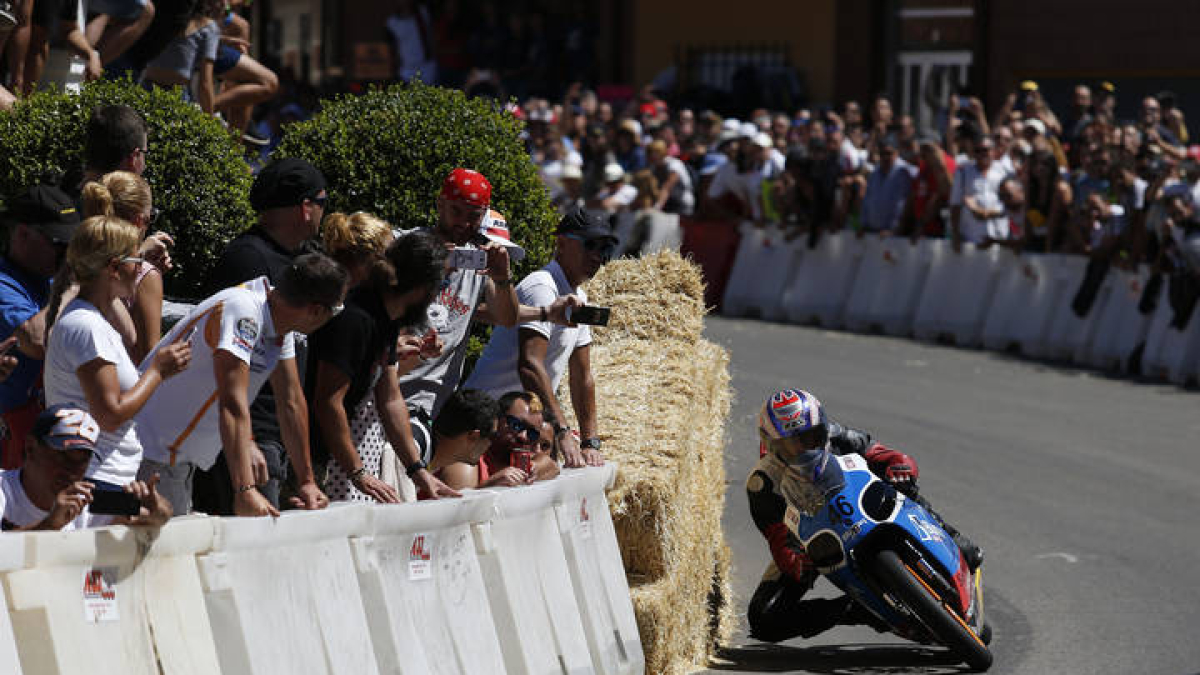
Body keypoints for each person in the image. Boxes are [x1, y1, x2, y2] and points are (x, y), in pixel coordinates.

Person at [745, 388, 981, 643]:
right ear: (772, 447)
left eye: (811, 437)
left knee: (904, 490)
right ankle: (860, 610)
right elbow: (779, 540)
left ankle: (950, 536)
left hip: (864, 503)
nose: (804, 448)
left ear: (822, 426)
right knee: (764, 618)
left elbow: (879, 453)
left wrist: (899, 464)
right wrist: (794, 559)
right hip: (813, 539)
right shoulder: (763, 483)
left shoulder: (837, 435)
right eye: (792, 445)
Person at [134, 253, 344, 518]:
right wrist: (244, 489)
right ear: (316, 310)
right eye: (336, 310)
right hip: (151, 450)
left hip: (176, 456)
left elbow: (291, 401)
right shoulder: (243, 310)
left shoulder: (279, 325)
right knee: (158, 554)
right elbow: (232, 403)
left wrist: (307, 482)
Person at [198, 157, 327, 514]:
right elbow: (224, 369)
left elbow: (290, 392)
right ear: (305, 207)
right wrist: (247, 442)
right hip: (246, 439)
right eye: (323, 203)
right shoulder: (248, 263)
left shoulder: (298, 261)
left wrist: (306, 479)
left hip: (276, 435)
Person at [397, 167, 575, 424]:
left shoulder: (477, 262)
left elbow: (506, 317)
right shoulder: (405, 243)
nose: (464, 223)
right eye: (456, 211)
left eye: (474, 216)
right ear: (440, 204)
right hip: (387, 388)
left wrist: (501, 278)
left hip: (432, 404)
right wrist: (428, 267)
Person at [307, 229, 457, 504]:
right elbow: (327, 402)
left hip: (337, 457)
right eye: (441, 286)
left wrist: (417, 470)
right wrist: (358, 472)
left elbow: (390, 397)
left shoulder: (388, 319)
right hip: (313, 458)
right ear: (423, 288)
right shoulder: (356, 318)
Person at [42, 215, 190, 491]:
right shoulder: (87, 326)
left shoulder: (94, 321)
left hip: (105, 475)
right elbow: (110, 415)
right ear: (114, 268)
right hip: (97, 478)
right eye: (137, 262)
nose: (141, 269)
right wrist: (157, 371)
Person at [465, 208, 611, 467]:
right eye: (590, 245)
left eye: (605, 248)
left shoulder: (580, 298)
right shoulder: (543, 287)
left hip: (516, 426)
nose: (597, 256)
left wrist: (590, 441)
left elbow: (582, 375)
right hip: (484, 425)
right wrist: (562, 432)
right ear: (562, 244)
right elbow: (530, 367)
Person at [0, 183, 81, 468]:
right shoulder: (4, 283)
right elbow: (35, 342)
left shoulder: (49, 276)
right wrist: (69, 288)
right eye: (59, 244)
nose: (66, 255)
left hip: (50, 432)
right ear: (22, 234)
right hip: (12, 437)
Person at [0, 404, 170, 531]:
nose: (71, 470)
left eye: (82, 460)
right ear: (31, 448)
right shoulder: (3, 489)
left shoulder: (89, 500)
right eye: (63, 456)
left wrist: (156, 510)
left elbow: (160, 513)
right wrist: (49, 525)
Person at [80, 172, 171, 362]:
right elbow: (148, 359)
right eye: (150, 217)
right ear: (139, 221)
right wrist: (144, 268)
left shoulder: (77, 259)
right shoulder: (145, 276)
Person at [442, 391, 558, 490]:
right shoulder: (467, 463)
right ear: (497, 420)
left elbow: (551, 466)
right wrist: (492, 484)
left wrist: (533, 470)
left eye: (531, 433)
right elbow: (457, 511)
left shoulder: (520, 460)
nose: (523, 436)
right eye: (516, 425)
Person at [417, 388, 499, 499]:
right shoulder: (411, 453)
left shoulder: (421, 453)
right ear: (473, 436)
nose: (491, 444)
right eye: (492, 436)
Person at [140, 0, 220, 114]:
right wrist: (210, 120)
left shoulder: (161, 16)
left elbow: (205, 83)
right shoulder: (207, 27)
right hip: (169, 94)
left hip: (149, 89)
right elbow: (205, 83)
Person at [949, 135, 1012, 248]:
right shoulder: (963, 172)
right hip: (971, 236)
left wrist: (985, 213)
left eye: (985, 150)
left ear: (993, 151)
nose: (982, 154)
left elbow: (1012, 202)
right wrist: (955, 234)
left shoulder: (1004, 171)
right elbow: (955, 204)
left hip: (999, 235)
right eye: (978, 151)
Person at [859, 137, 913, 235]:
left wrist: (893, 228)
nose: (885, 157)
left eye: (889, 153)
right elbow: (867, 199)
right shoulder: (875, 172)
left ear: (897, 152)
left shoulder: (903, 172)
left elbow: (902, 204)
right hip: (872, 231)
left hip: (892, 235)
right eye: (882, 154)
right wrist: (864, 224)